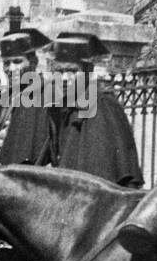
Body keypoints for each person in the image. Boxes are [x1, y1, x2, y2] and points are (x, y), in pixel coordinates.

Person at [47, 33, 144, 188]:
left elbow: (107, 171)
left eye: (72, 71)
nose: (64, 78)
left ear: (87, 71)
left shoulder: (104, 106)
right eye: (59, 71)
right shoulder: (60, 109)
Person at [0, 24, 55, 168]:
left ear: (33, 63)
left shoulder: (48, 96)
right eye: (7, 63)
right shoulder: (4, 100)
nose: (12, 68)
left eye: (18, 61)